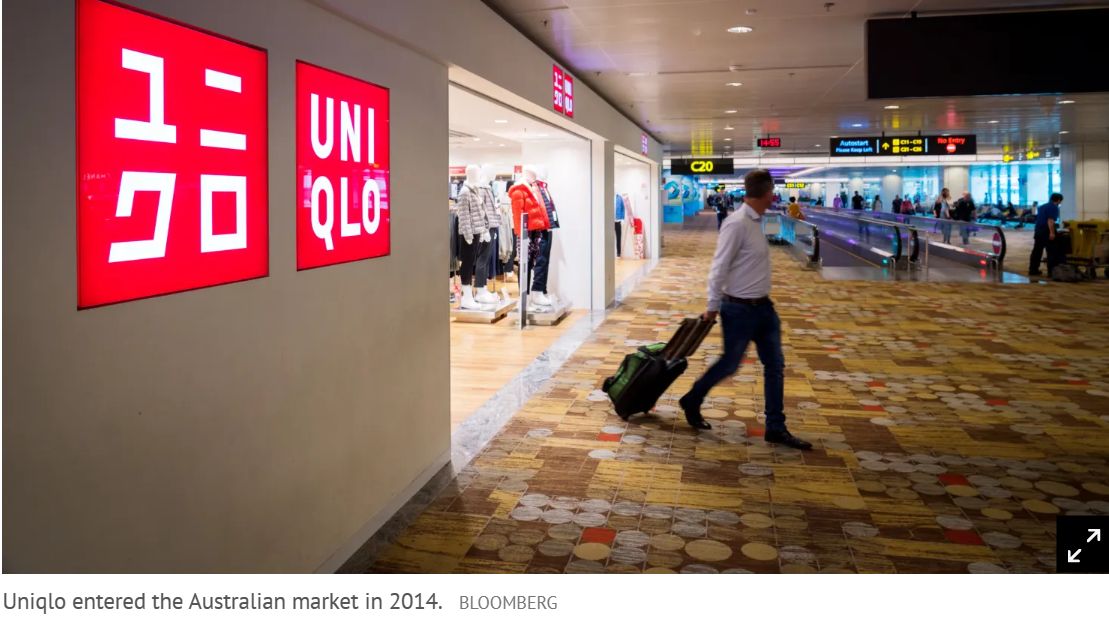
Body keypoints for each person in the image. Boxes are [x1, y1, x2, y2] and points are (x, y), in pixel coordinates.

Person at [679, 169, 812, 449]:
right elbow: (719, 267)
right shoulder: (737, 223)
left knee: (775, 365)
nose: (774, 195)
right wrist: (712, 306)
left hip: (764, 309)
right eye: (772, 190)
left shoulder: (758, 222)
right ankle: (693, 398)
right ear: (766, 193)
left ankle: (775, 427)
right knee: (730, 364)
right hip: (738, 309)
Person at [1029, 193, 1063, 277]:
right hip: (1046, 230)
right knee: (1051, 251)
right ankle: (1051, 272)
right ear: (1058, 200)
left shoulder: (1042, 206)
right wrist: (1052, 232)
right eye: (1061, 201)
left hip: (1038, 230)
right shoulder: (1054, 207)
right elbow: (1050, 220)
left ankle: (1033, 270)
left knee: (1037, 251)